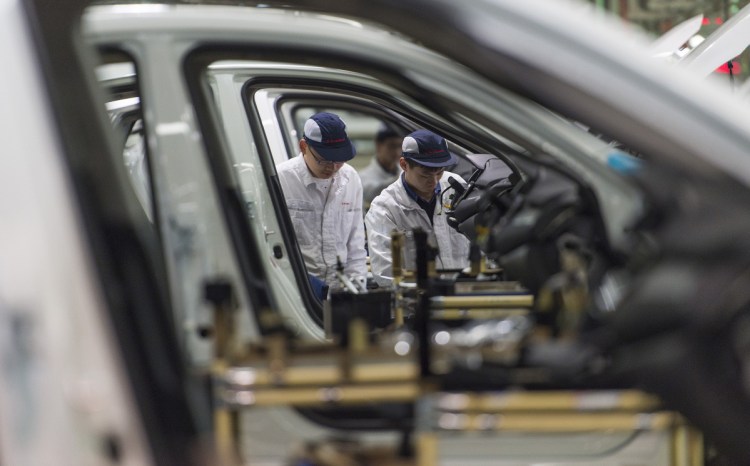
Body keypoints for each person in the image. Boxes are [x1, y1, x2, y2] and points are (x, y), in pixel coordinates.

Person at [365, 129, 471, 286]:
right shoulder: (385, 209)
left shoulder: (456, 186)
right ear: (404, 165)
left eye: (440, 172)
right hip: (418, 302)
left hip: (466, 293)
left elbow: (479, 243)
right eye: (425, 175)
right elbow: (386, 274)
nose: (435, 182)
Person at [276, 112, 367, 294]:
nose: (333, 168)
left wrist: (358, 291)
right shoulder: (282, 179)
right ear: (303, 147)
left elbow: (355, 244)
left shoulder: (350, 178)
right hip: (299, 294)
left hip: (342, 290)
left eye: (339, 161)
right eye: (324, 160)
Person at [359, 125, 404, 209]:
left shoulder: (403, 171)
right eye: (392, 146)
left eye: (400, 146)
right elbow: (372, 193)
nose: (397, 152)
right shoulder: (362, 177)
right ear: (378, 146)